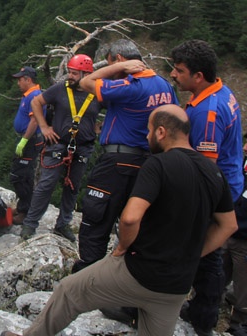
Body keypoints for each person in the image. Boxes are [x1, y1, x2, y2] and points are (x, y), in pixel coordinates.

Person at [0, 104, 238, 336]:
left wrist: (123, 247)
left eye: (149, 130)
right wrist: (193, 254)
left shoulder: (158, 164)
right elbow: (229, 225)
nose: (147, 136)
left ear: (161, 132)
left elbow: (130, 218)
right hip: (176, 287)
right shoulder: (213, 172)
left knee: (69, 290)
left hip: (139, 272)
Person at [73, 39, 178, 272]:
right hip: (150, 164)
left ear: (120, 61)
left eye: (112, 64)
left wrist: (116, 69)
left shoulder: (130, 84)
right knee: (136, 222)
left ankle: (88, 275)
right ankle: (128, 277)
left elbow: (87, 81)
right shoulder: (165, 87)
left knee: (96, 219)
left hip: (116, 163)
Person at [170, 39, 244, 336]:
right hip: (229, 184)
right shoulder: (220, 92)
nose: (173, 75)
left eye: (179, 70)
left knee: (207, 254)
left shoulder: (207, 112)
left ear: (198, 76)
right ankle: (203, 308)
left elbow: (204, 167)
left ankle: (203, 317)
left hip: (214, 192)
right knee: (210, 254)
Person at [20, 54, 102, 241]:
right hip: (57, 143)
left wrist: (99, 128)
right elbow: (36, 102)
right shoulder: (60, 89)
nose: (70, 76)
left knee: (72, 187)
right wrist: (43, 126)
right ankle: (30, 224)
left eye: (74, 73)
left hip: (83, 147)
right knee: (46, 184)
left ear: (86, 74)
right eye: (69, 72)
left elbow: (114, 110)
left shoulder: (97, 94)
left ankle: (63, 224)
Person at [9, 66, 45, 225]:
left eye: (20, 79)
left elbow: (34, 120)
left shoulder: (35, 96)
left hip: (30, 141)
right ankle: (24, 206)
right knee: (22, 174)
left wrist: (24, 140)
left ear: (28, 80)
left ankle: (25, 211)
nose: (18, 83)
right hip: (25, 139)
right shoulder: (29, 95)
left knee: (21, 176)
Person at [225, 139, 247, 336]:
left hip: (244, 240)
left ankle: (239, 324)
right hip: (228, 231)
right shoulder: (241, 165)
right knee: (217, 273)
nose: (245, 147)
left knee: (243, 286)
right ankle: (205, 310)